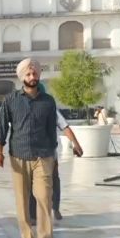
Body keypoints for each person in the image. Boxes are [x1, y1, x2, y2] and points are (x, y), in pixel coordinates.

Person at [0, 58, 81, 238]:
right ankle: (27, 237)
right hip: (19, 156)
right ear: (22, 77)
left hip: (43, 156)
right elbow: (1, 128)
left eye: (35, 74)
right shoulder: (11, 100)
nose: (32, 77)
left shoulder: (48, 101)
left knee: (44, 197)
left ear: (39, 75)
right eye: (28, 74)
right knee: (22, 199)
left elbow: (54, 129)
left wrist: (55, 155)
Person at [27, 83, 84, 223]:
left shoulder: (51, 108)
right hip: (30, 154)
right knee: (32, 185)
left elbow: (65, 127)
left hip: (49, 154)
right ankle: (33, 215)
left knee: (54, 182)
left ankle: (55, 208)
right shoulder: (25, 108)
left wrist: (76, 144)